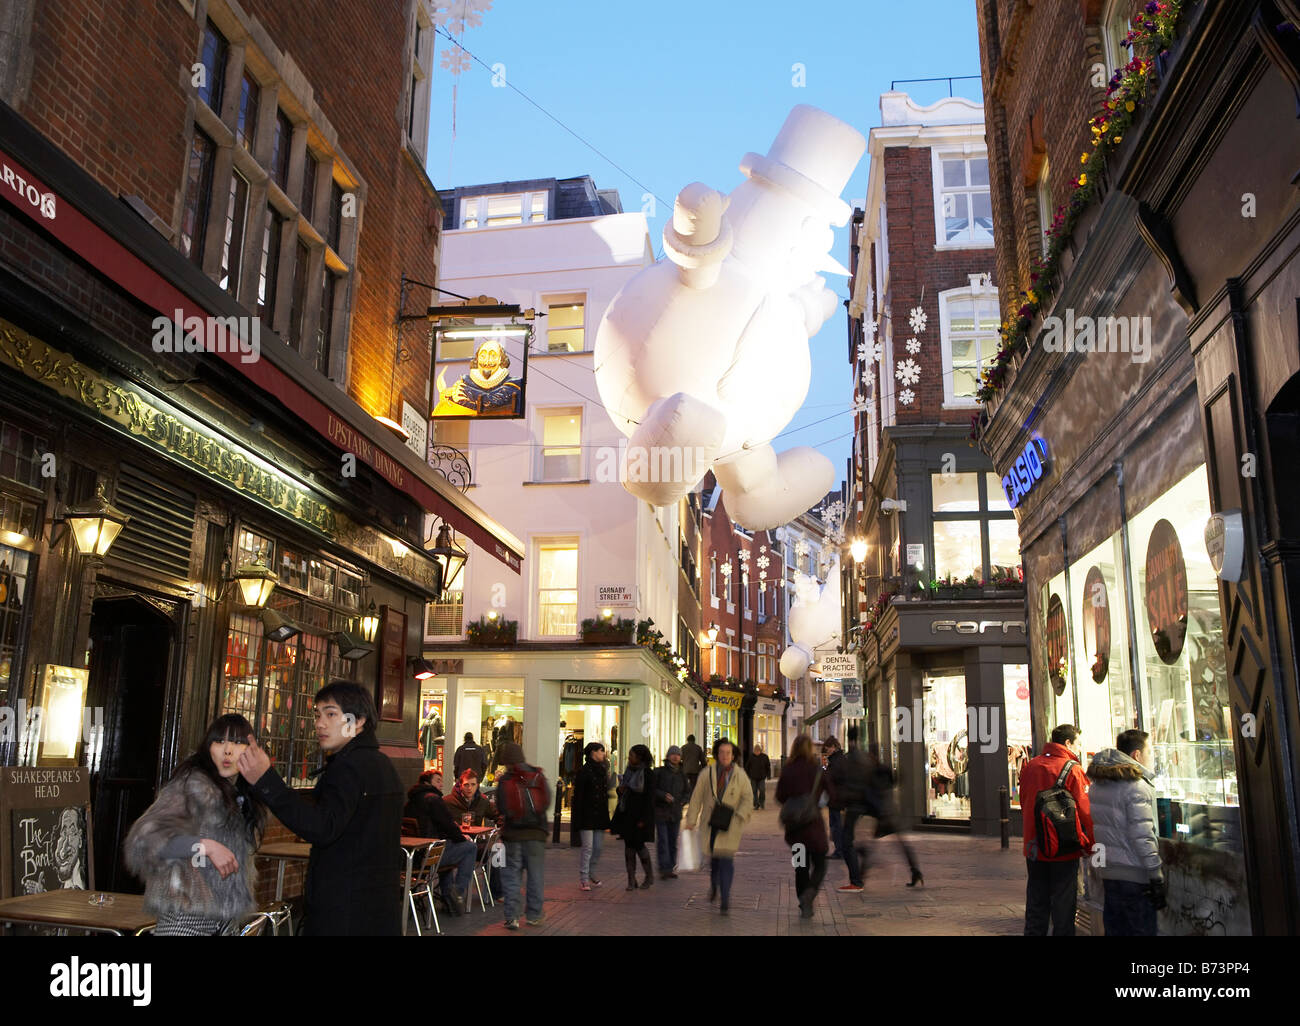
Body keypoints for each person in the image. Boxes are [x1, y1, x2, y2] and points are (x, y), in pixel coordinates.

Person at [239, 681, 404, 935]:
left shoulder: (348, 768)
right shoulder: (382, 765)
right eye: (317, 714)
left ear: (357, 721)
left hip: (344, 912)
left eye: (330, 714)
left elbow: (322, 826)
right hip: (376, 909)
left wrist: (266, 780)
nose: (319, 723)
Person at [124, 714, 267, 935]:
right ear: (208, 747)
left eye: (237, 742)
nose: (228, 750)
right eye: (219, 742)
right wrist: (204, 845)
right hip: (186, 918)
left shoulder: (241, 795)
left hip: (224, 921)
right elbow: (144, 839)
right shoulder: (193, 785)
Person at [1086, 729, 1165, 936]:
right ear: (1137, 755)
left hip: (1110, 874)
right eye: (1150, 751)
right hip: (1135, 876)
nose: (1152, 757)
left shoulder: (1098, 785)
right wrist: (1155, 874)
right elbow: (1143, 836)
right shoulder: (1137, 787)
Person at [1020, 723, 1094, 937]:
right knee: (1063, 905)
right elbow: (1084, 811)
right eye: (1077, 743)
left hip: (1035, 846)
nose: (1079, 748)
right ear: (1068, 743)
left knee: (1036, 902)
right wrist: (1091, 845)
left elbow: (1025, 802)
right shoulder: (1073, 769)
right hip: (1065, 847)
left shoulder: (1031, 766)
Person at [683, 737, 753, 914]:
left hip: (730, 824)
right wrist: (691, 820)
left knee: (727, 860)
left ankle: (726, 898)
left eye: (728, 753)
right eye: (721, 752)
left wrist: (740, 815)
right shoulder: (706, 773)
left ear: (733, 755)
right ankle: (714, 886)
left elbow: (747, 798)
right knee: (714, 860)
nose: (725, 756)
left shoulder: (740, 775)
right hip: (711, 822)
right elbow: (697, 797)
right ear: (716, 754)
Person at [777, 733, 837, 918]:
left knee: (800, 867)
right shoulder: (817, 769)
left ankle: (804, 905)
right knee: (820, 863)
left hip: (795, 829)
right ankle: (810, 893)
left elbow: (780, 796)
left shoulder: (787, 769)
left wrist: (794, 802)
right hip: (813, 827)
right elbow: (832, 794)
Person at [402, 771, 476, 915]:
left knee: (447, 853)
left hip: (412, 856)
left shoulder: (409, 802)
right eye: (438, 781)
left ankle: (448, 901)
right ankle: (458, 892)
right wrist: (461, 837)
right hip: (430, 855)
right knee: (470, 847)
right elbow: (448, 825)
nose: (441, 784)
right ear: (426, 783)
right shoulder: (433, 799)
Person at [496, 741, 551, 930]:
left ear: (506, 761)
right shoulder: (537, 775)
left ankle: (512, 917)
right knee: (535, 876)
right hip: (536, 835)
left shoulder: (505, 780)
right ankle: (534, 915)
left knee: (512, 875)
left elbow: (502, 807)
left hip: (513, 835)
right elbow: (546, 802)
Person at [865, 743, 924, 887]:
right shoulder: (883, 769)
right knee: (900, 844)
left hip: (886, 814)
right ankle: (915, 871)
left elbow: (875, 792)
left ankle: (860, 876)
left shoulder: (875, 771)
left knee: (873, 846)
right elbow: (897, 779)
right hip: (890, 811)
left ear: (872, 756)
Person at [829, 725, 875, 893]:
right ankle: (859, 870)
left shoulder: (849, 759)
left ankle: (856, 881)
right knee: (850, 840)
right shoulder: (865, 758)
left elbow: (840, 780)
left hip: (853, 805)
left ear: (849, 738)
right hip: (863, 805)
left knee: (847, 842)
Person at [611, 743, 656, 890]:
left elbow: (650, 799)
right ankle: (631, 879)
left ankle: (649, 876)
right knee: (629, 846)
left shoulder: (648, 774)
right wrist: (620, 790)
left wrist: (644, 819)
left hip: (640, 816)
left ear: (640, 757)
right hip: (626, 814)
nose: (629, 758)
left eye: (632, 755)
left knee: (639, 845)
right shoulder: (629, 771)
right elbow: (623, 791)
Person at [571, 741, 612, 890]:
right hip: (587, 815)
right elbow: (579, 796)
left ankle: (592, 872)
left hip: (599, 815)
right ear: (593, 752)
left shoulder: (602, 770)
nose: (603, 754)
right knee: (587, 847)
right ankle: (584, 878)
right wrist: (577, 818)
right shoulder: (584, 771)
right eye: (601, 751)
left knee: (598, 847)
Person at [654, 745, 689, 879]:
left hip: (675, 812)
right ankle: (664, 868)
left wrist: (682, 801)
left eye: (678, 755)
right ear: (668, 756)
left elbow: (687, 791)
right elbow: (653, 789)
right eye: (673, 754)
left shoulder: (682, 774)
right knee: (663, 840)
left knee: (672, 841)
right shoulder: (659, 772)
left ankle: (670, 867)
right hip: (661, 811)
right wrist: (663, 796)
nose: (675, 757)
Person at [823, 736, 845, 858]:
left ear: (834, 747)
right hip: (835, 798)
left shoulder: (837, 761)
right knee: (835, 825)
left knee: (836, 825)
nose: (827, 751)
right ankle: (840, 849)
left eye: (828, 749)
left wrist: (825, 770)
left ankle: (839, 851)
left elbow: (832, 777)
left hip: (836, 798)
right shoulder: (835, 759)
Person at [746, 744, 772, 810]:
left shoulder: (765, 757)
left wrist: (768, 775)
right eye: (755, 751)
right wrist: (747, 775)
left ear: (760, 750)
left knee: (762, 790)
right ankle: (756, 804)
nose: (757, 752)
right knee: (754, 791)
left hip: (761, 777)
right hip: (753, 777)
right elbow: (747, 767)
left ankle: (761, 802)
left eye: (758, 751)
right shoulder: (751, 757)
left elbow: (768, 767)